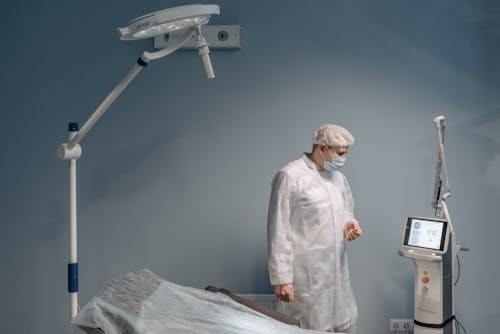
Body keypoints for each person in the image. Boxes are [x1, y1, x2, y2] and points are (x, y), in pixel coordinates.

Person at [267, 124, 362, 333]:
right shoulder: (290, 176)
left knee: (345, 322)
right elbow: (278, 229)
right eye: (339, 153)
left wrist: (349, 224)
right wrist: (282, 278)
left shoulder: (338, 178)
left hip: (336, 273)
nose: (342, 159)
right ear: (322, 147)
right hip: (306, 277)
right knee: (310, 328)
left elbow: (346, 210)